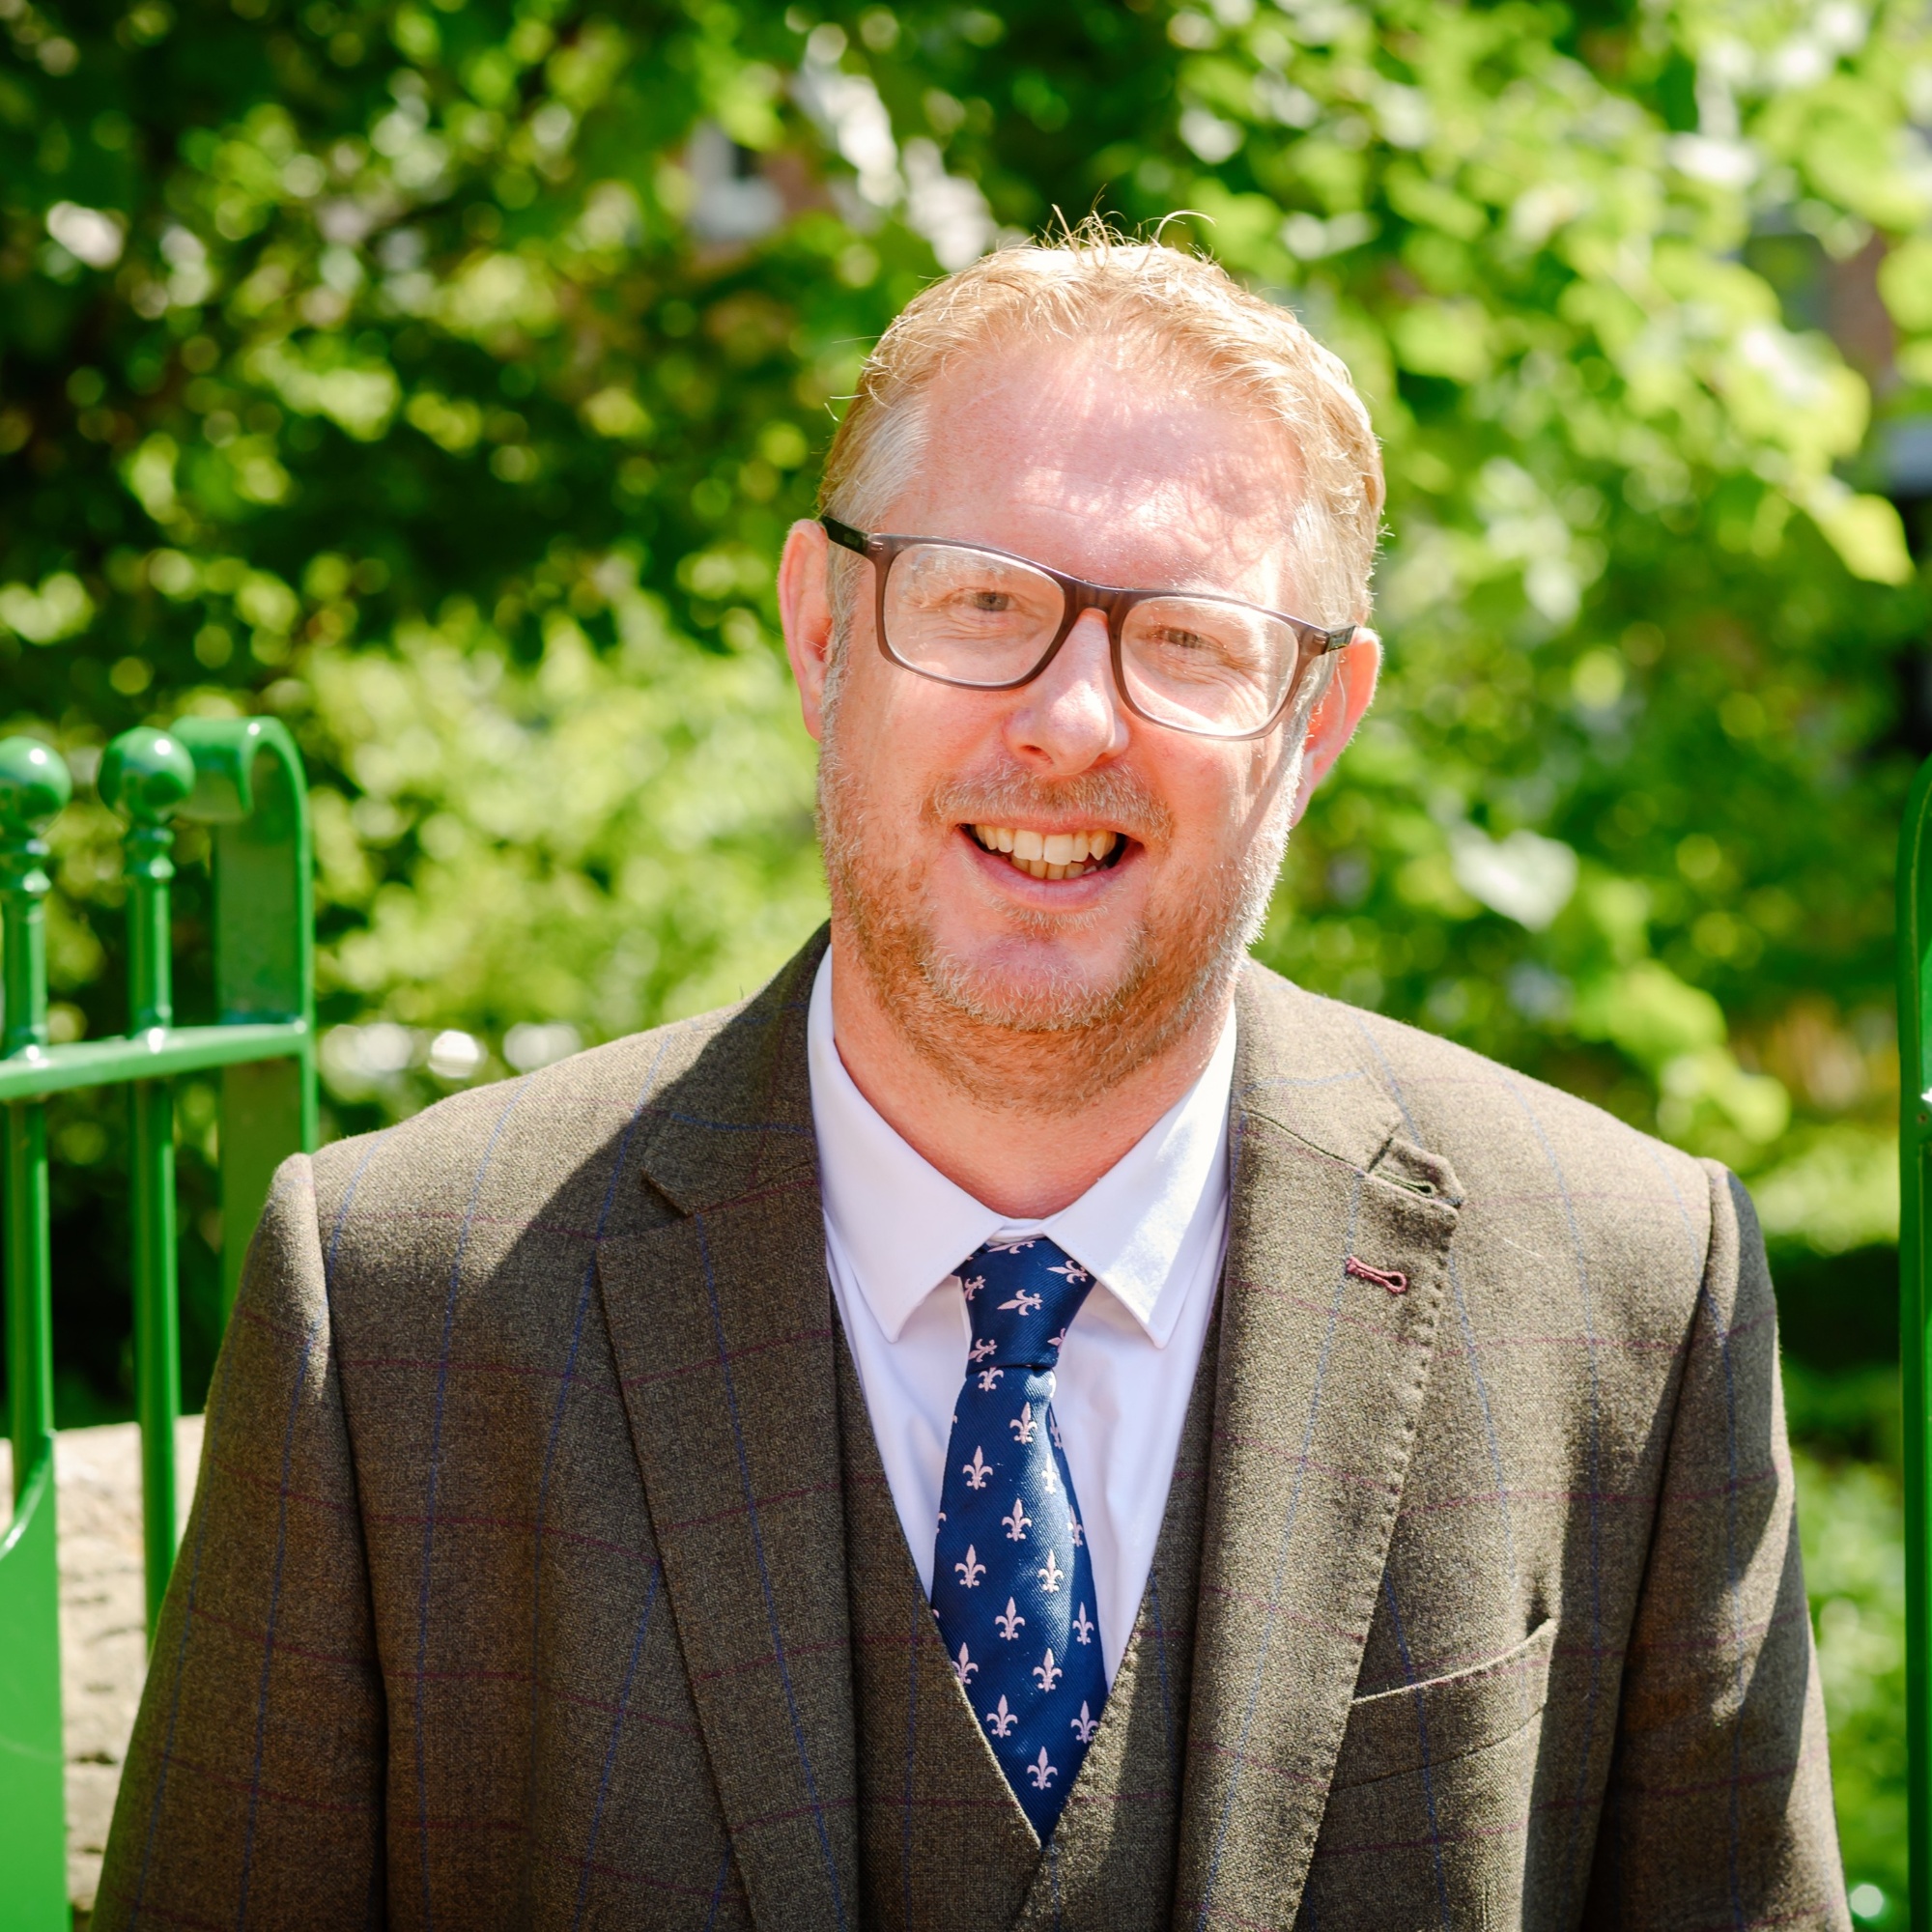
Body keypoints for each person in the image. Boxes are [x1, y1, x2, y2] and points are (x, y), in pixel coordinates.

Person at [97, 229, 1847, 1931]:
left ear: (1315, 724)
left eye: (1188, 639)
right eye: (983, 601)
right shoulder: (405, 1305)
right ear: (820, 628)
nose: (1073, 719)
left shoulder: (1630, 1296)